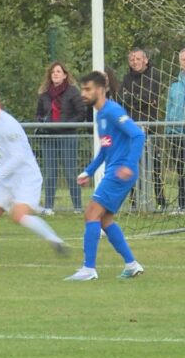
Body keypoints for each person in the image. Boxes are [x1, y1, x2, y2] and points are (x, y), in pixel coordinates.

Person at [0, 89, 68, 267]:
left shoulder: (9, 125)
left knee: (18, 216)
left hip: (26, 178)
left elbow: (18, 158)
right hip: (6, 178)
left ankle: (55, 240)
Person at [66, 71, 145, 281]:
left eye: (88, 89)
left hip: (120, 172)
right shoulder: (100, 114)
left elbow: (138, 134)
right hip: (115, 170)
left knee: (91, 214)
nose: (83, 93)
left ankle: (88, 269)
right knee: (105, 220)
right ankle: (132, 264)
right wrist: (88, 171)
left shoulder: (112, 111)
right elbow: (105, 149)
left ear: (101, 90)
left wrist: (128, 164)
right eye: (83, 89)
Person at [35, 62, 87, 215]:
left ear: (65, 75)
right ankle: (49, 207)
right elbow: (38, 113)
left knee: (70, 171)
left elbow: (81, 114)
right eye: (53, 72)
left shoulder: (72, 92)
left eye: (58, 71)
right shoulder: (44, 94)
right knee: (50, 172)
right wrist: (43, 123)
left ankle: (77, 207)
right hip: (49, 136)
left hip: (67, 135)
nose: (55, 74)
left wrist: (66, 124)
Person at [120, 48, 164, 209]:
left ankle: (161, 202)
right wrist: (138, 99)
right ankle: (134, 203)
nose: (135, 62)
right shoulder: (126, 78)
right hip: (131, 129)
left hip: (150, 128)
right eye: (132, 59)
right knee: (131, 165)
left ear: (145, 60)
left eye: (138, 59)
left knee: (155, 167)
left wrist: (133, 98)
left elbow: (149, 97)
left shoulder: (154, 75)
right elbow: (122, 99)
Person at [164, 48, 185, 212]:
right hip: (176, 133)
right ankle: (182, 204)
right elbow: (169, 108)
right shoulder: (174, 85)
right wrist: (168, 129)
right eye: (183, 59)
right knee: (181, 172)